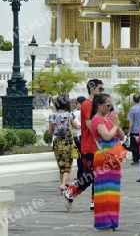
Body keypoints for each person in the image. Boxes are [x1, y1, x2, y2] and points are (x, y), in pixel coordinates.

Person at [64, 79, 104, 211]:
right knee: (90, 175)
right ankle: (72, 190)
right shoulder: (87, 104)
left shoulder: (98, 105)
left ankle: (95, 200)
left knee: (98, 175)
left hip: (98, 145)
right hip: (89, 145)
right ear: (92, 90)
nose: (102, 92)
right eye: (100, 89)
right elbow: (89, 124)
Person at [90, 93, 125, 231]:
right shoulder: (96, 119)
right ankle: (103, 222)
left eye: (110, 104)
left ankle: (112, 220)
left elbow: (121, 136)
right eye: (107, 105)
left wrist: (117, 124)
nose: (109, 107)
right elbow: (106, 135)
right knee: (104, 190)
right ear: (99, 105)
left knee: (113, 190)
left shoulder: (109, 118)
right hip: (104, 157)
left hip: (114, 157)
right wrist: (115, 126)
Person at [48, 95, 80, 194]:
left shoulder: (51, 116)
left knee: (61, 165)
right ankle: (63, 185)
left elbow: (50, 132)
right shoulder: (70, 115)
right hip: (68, 142)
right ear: (67, 105)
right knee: (67, 165)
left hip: (57, 143)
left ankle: (63, 184)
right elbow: (77, 126)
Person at [128, 94, 140, 166]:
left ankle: (135, 160)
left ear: (133, 100)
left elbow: (131, 121)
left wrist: (129, 131)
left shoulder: (132, 109)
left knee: (134, 146)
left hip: (134, 130)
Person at [72, 96, 86, 179]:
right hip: (85, 136)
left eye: (77, 103)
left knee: (80, 156)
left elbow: (77, 126)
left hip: (78, 136)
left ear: (81, 104)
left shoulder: (76, 113)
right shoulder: (88, 112)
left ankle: (80, 174)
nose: (76, 105)